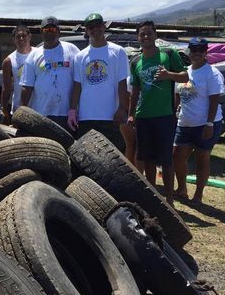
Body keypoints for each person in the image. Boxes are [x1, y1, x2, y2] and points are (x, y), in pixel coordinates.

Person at [129, 20, 188, 204]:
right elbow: (135, 90)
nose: (146, 37)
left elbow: (185, 76)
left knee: (166, 159)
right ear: (138, 37)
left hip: (165, 116)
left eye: (149, 33)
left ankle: (169, 199)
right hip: (143, 116)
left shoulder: (168, 54)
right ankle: (154, 199)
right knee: (147, 160)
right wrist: (131, 113)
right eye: (142, 34)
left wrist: (168, 75)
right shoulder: (135, 61)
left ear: (155, 34)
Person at [173, 37, 224, 204]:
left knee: (202, 159)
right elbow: (178, 93)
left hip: (205, 124)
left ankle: (198, 195)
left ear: (205, 52)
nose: (196, 54)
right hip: (185, 122)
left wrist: (209, 123)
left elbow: (214, 100)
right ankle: (182, 190)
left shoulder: (212, 73)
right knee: (177, 157)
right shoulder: (185, 71)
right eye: (193, 50)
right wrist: (177, 108)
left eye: (200, 50)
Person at [68, 13, 129, 151]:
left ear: (103, 26)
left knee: (114, 159)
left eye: (98, 25)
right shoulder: (80, 56)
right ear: (87, 31)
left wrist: (122, 108)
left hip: (111, 117)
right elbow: (77, 86)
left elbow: (122, 83)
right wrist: (72, 110)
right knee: (88, 157)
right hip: (86, 117)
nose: (95, 29)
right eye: (91, 27)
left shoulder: (118, 52)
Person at [20, 17, 80, 131]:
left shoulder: (72, 50)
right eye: (45, 30)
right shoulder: (33, 56)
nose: (49, 32)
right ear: (41, 32)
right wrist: (22, 112)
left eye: (52, 29)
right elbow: (27, 87)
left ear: (59, 31)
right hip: (42, 115)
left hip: (67, 114)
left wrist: (73, 110)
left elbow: (79, 82)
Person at [0, 24, 35, 122]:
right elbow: (6, 89)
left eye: (24, 35)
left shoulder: (39, 54)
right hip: (18, 110)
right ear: (13, 39)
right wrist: (4, 108)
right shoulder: (9, 61)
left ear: (30, 36)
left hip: (39, 108)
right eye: (18, 36)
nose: (21, 38)